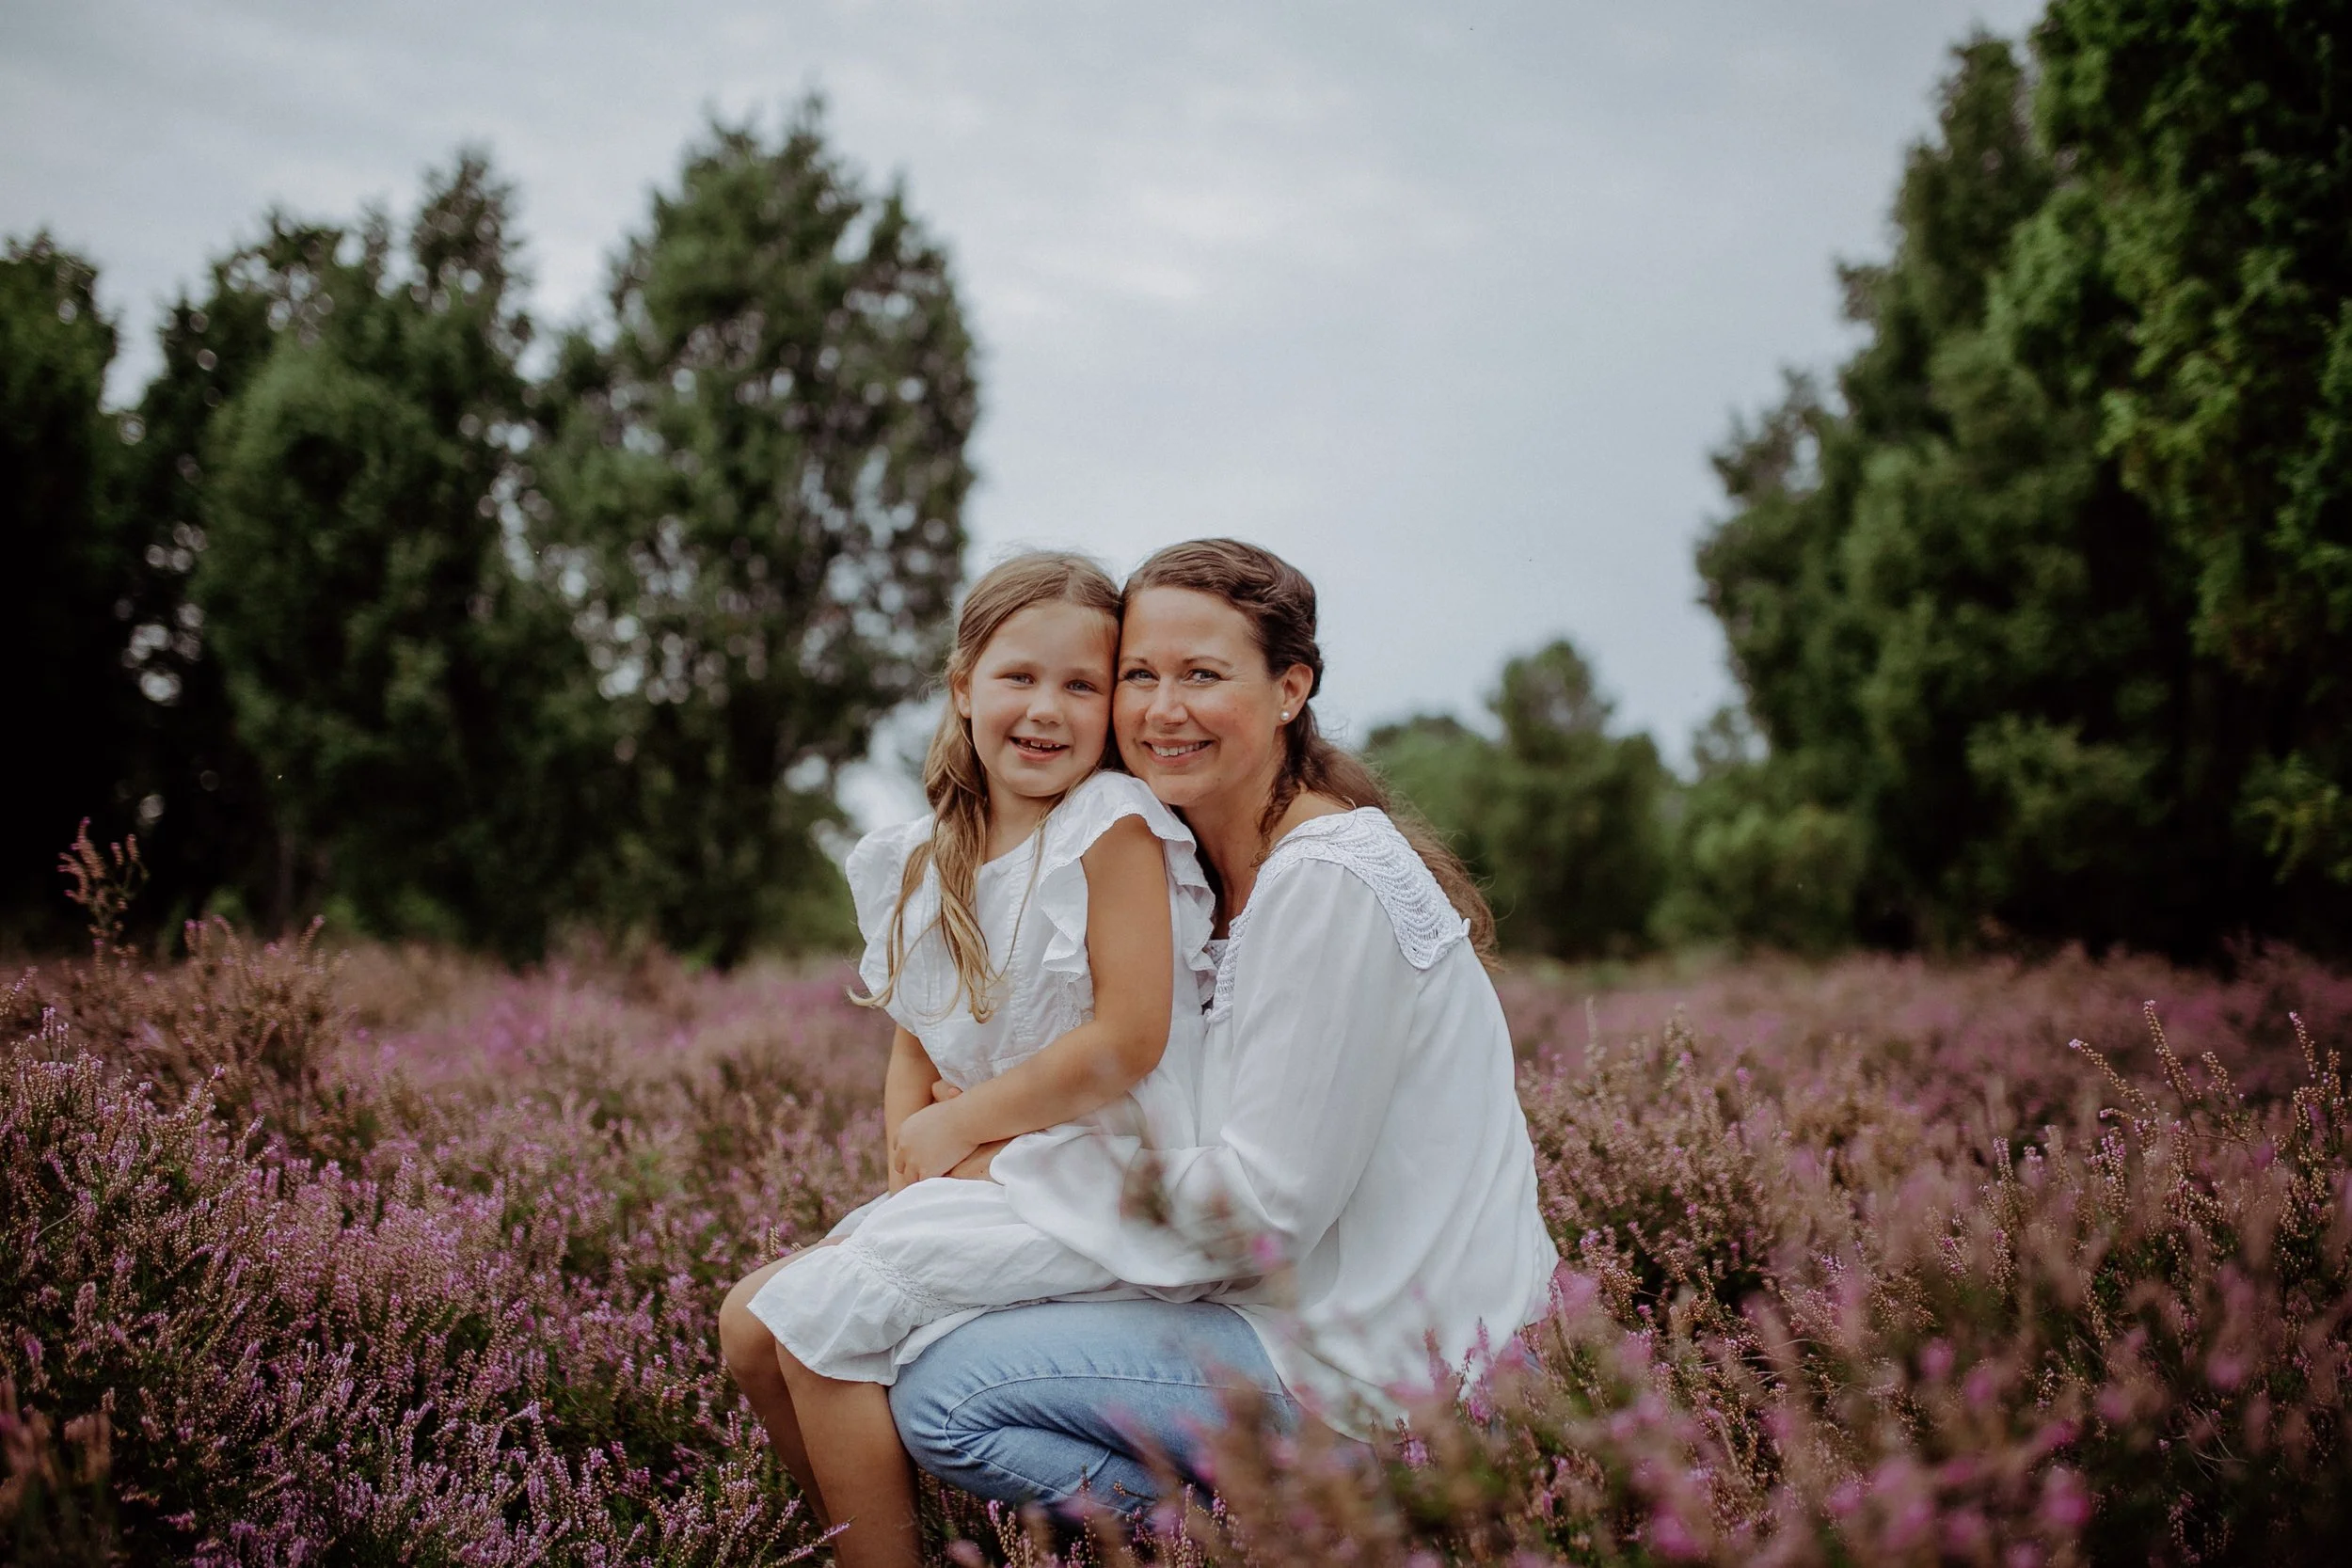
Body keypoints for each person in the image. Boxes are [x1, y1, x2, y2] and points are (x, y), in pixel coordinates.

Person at [884, 538, 1562, 1515]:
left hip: (1388, 1370)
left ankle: (1293, 1533)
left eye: (1203, 674)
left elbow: (1261, 1215)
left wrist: (994, 1157)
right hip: (1301, 1321)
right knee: (918, 1319)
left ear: (1291, 688)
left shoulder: (1325, 879)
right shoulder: (1202, 870)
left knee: (946, 1390)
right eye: (1138, 675)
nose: (1163, 709)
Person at [716, 551, 1218, 1568]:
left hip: (1111, 1168)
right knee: (747, 1323)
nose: (1046, 708)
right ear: (962, 686)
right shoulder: (923, 851)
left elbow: (1128, 1038)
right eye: (1018, 678)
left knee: (818, 1320)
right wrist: (913, 1147)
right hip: (990, 1167)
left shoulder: (1110, 828)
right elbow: (918, 1022)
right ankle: (877, 1541)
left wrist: (960, 1122)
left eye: (1081, 684)